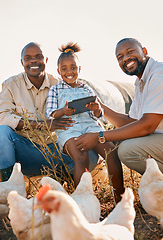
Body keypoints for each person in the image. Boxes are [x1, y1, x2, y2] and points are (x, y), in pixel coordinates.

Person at [74, 38, 163, 177]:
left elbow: (147, 126)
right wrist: (102, 108)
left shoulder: (162, 74)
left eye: (130, 52)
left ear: (144, 51)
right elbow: (132, 122)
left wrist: (100, 137)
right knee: (125, 141)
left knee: (128, 150)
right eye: (120, 57)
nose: (125, 58)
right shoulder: (140, 83)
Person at [0, 42, 99, 181]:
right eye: (28, 58)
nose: (33, 61)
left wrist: (97, 129)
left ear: (46, 60)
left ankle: (63, 178)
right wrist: (44, 124)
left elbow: (82, 114)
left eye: (38, 56)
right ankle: (9, 184)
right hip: (26, 153)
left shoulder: (61, 85)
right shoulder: (12, 85)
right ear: (22, 62)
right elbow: (0, 118)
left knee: (91, 154)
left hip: (57, 151)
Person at [46, 42, 124, 193]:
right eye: (64, 69)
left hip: (91, 126)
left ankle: (119, 197)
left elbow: (97, 115)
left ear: (79, 69)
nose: (69, 71)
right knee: (81, 158)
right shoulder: (55, 90)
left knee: (112, 153)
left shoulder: (87, 88)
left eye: (73, 67)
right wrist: (63, 111)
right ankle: (81, 201)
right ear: (58, 71)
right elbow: (52, 114)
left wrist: (96, 109)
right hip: (70, 129)